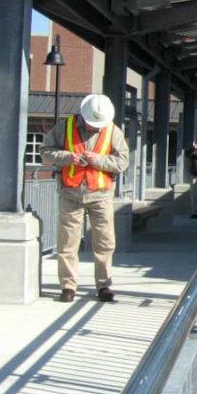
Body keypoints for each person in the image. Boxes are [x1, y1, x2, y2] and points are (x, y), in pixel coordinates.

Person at [41, 94, 130, 303]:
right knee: (67, 243)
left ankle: (104, 285)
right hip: (70, 193)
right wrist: (67, 157)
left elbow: (122, 161)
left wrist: (96, 160)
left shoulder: (113, 131)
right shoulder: (64, 127)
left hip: (101, 195)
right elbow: (45, 152)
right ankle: (68, 286)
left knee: (105, 243)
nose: (94, 127)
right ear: (84, 116)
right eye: (91, 123)